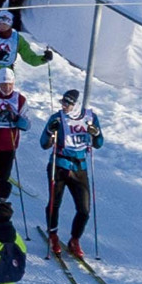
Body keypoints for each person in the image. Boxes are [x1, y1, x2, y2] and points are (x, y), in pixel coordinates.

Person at [40, 89, 103, 258]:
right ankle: (52, 234)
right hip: (59, 165)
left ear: (77, 105)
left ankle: (75, 239)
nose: (64, 105)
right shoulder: (57, 118)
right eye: (63, 102)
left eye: (68, 103)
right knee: (54, 202)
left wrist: (95, 134)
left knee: (84, 210)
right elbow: (43, 144)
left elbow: (99, 143)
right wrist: (50, 132)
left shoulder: (90, 118)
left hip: (79, 168)